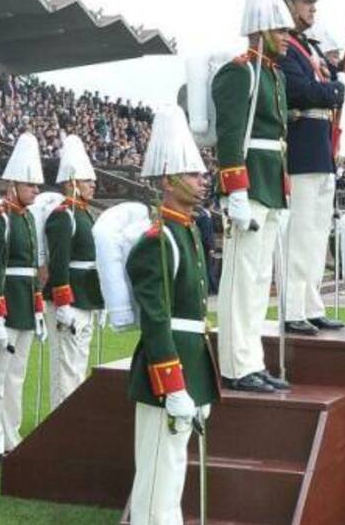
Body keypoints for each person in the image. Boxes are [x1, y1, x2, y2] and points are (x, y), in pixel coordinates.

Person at [125, 106, 219, 525]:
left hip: (188, 366)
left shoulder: (188, 232)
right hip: (168, 371)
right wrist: (173, 384)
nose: (203, 180)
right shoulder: (159, 240)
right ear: (168, 180)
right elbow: (157, 320)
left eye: (203, 174)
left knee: (174, 470)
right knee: (158, 475)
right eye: (193, 173)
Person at [275, 0, 345, 335]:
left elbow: (333, 76)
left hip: (320, 147)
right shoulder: (285, 49)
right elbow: (301, 89)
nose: (313, 8)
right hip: (301, 147)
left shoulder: (307, 47)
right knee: (300, 235)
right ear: (289, 4)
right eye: (307, 2)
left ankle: (311, 303)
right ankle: (293, 308)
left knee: (315, 235)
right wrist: (335, 89)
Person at [212, 0, 292, 393]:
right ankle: (235, 365)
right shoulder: (238, 72)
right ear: (261, 29)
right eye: (280, 29)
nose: (286, 36)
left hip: (270, 183)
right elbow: (230, 134)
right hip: (249, 184)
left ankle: (252, 359)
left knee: (260, 280)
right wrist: (235, 189)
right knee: (241, 279)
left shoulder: (274, 76)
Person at [0, 132, 46, 459]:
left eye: (37, 185)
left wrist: (37, 308)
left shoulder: (29, 218)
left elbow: (32, 268)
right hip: (5, 304)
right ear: (13, 185)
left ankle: (10, 435)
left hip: (24, 304)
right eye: (30, 184)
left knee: (16, 377)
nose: (36, 190)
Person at [44, 134, 103, 409]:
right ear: (72, 183)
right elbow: (59, 262)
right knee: (65, 371)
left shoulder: (84, 214)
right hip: (69, 301)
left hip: (85, 298)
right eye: (87, 180)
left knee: (78, 368)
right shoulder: (63, 215)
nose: (93, 185)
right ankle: (60, 423)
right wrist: (63, 302)